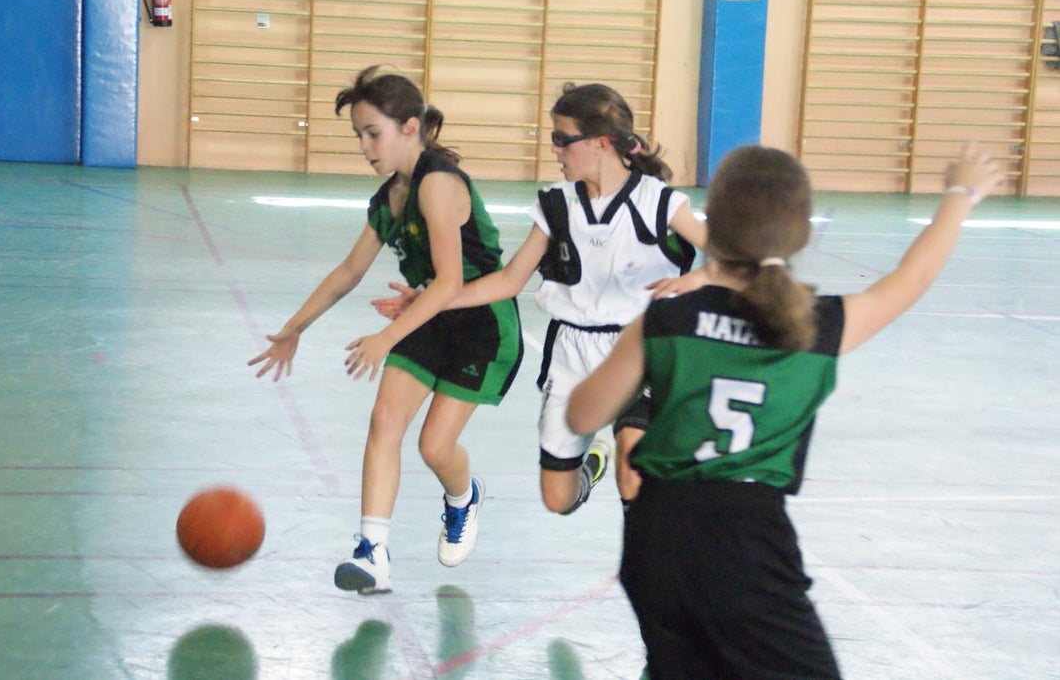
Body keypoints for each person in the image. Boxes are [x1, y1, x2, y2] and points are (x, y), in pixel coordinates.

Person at [566, 142, 1005, 678]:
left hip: (657, 534)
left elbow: (582, 417)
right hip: (747, 539)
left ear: (714, 227)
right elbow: (910, 279)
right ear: (800, 234)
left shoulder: (668, 319)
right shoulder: (819, 325)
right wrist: (961, 195)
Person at [248, 66, 523, 594]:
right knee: (384, 420)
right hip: (426, 313)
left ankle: (464, 497)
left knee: (434, 447)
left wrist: (385, 339)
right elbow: (350, 271)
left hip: (479, 325)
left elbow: (447, 284)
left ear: (411, 128)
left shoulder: (439, 184)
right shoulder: (387, 199)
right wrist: (293, 329)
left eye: (372, 133)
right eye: (358, 135)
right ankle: (372, 552)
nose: (364, 146)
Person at [374, 82, 706, 517]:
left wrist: (697, 281)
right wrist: (429, 303)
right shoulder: (556, 205)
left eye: (562, 140)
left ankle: (648, 566)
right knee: (558, 499)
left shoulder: (658, 202)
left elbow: (731, 256)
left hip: (636, 347)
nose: (555, 150)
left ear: (601, 144)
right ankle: (591, 467)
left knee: (634, 464)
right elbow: (510, 279)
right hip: (571, 352)